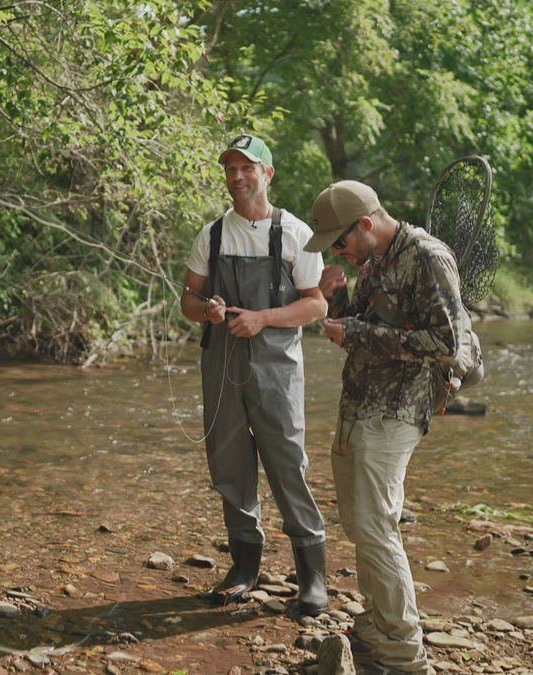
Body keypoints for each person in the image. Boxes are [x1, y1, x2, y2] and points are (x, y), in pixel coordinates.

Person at [304, 180, 471, 675]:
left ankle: (404, 655)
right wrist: (335, 304)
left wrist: (355, 332)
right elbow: (365, 327)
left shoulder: (427, 256)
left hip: (398, 410)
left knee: (377, 525)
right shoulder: (371, 263)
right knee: (359, 524)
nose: (338, 250)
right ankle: (376, 627)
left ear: (366, 224)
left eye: (341, 241)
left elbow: (447, 344)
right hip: (357, 403)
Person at [181, 134, 330, 617]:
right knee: (229, 467)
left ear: (267, 174)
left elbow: (316, 304)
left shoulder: (296, 234)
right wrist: (210, 311)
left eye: (247, 168)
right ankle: (244, 569)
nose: (237, 176)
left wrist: (263, 318)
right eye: (230, 169)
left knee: (288, 465)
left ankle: (312, 579)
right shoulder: (212, 235)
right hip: (221, 365)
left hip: (277, 369)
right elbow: (188, 300)